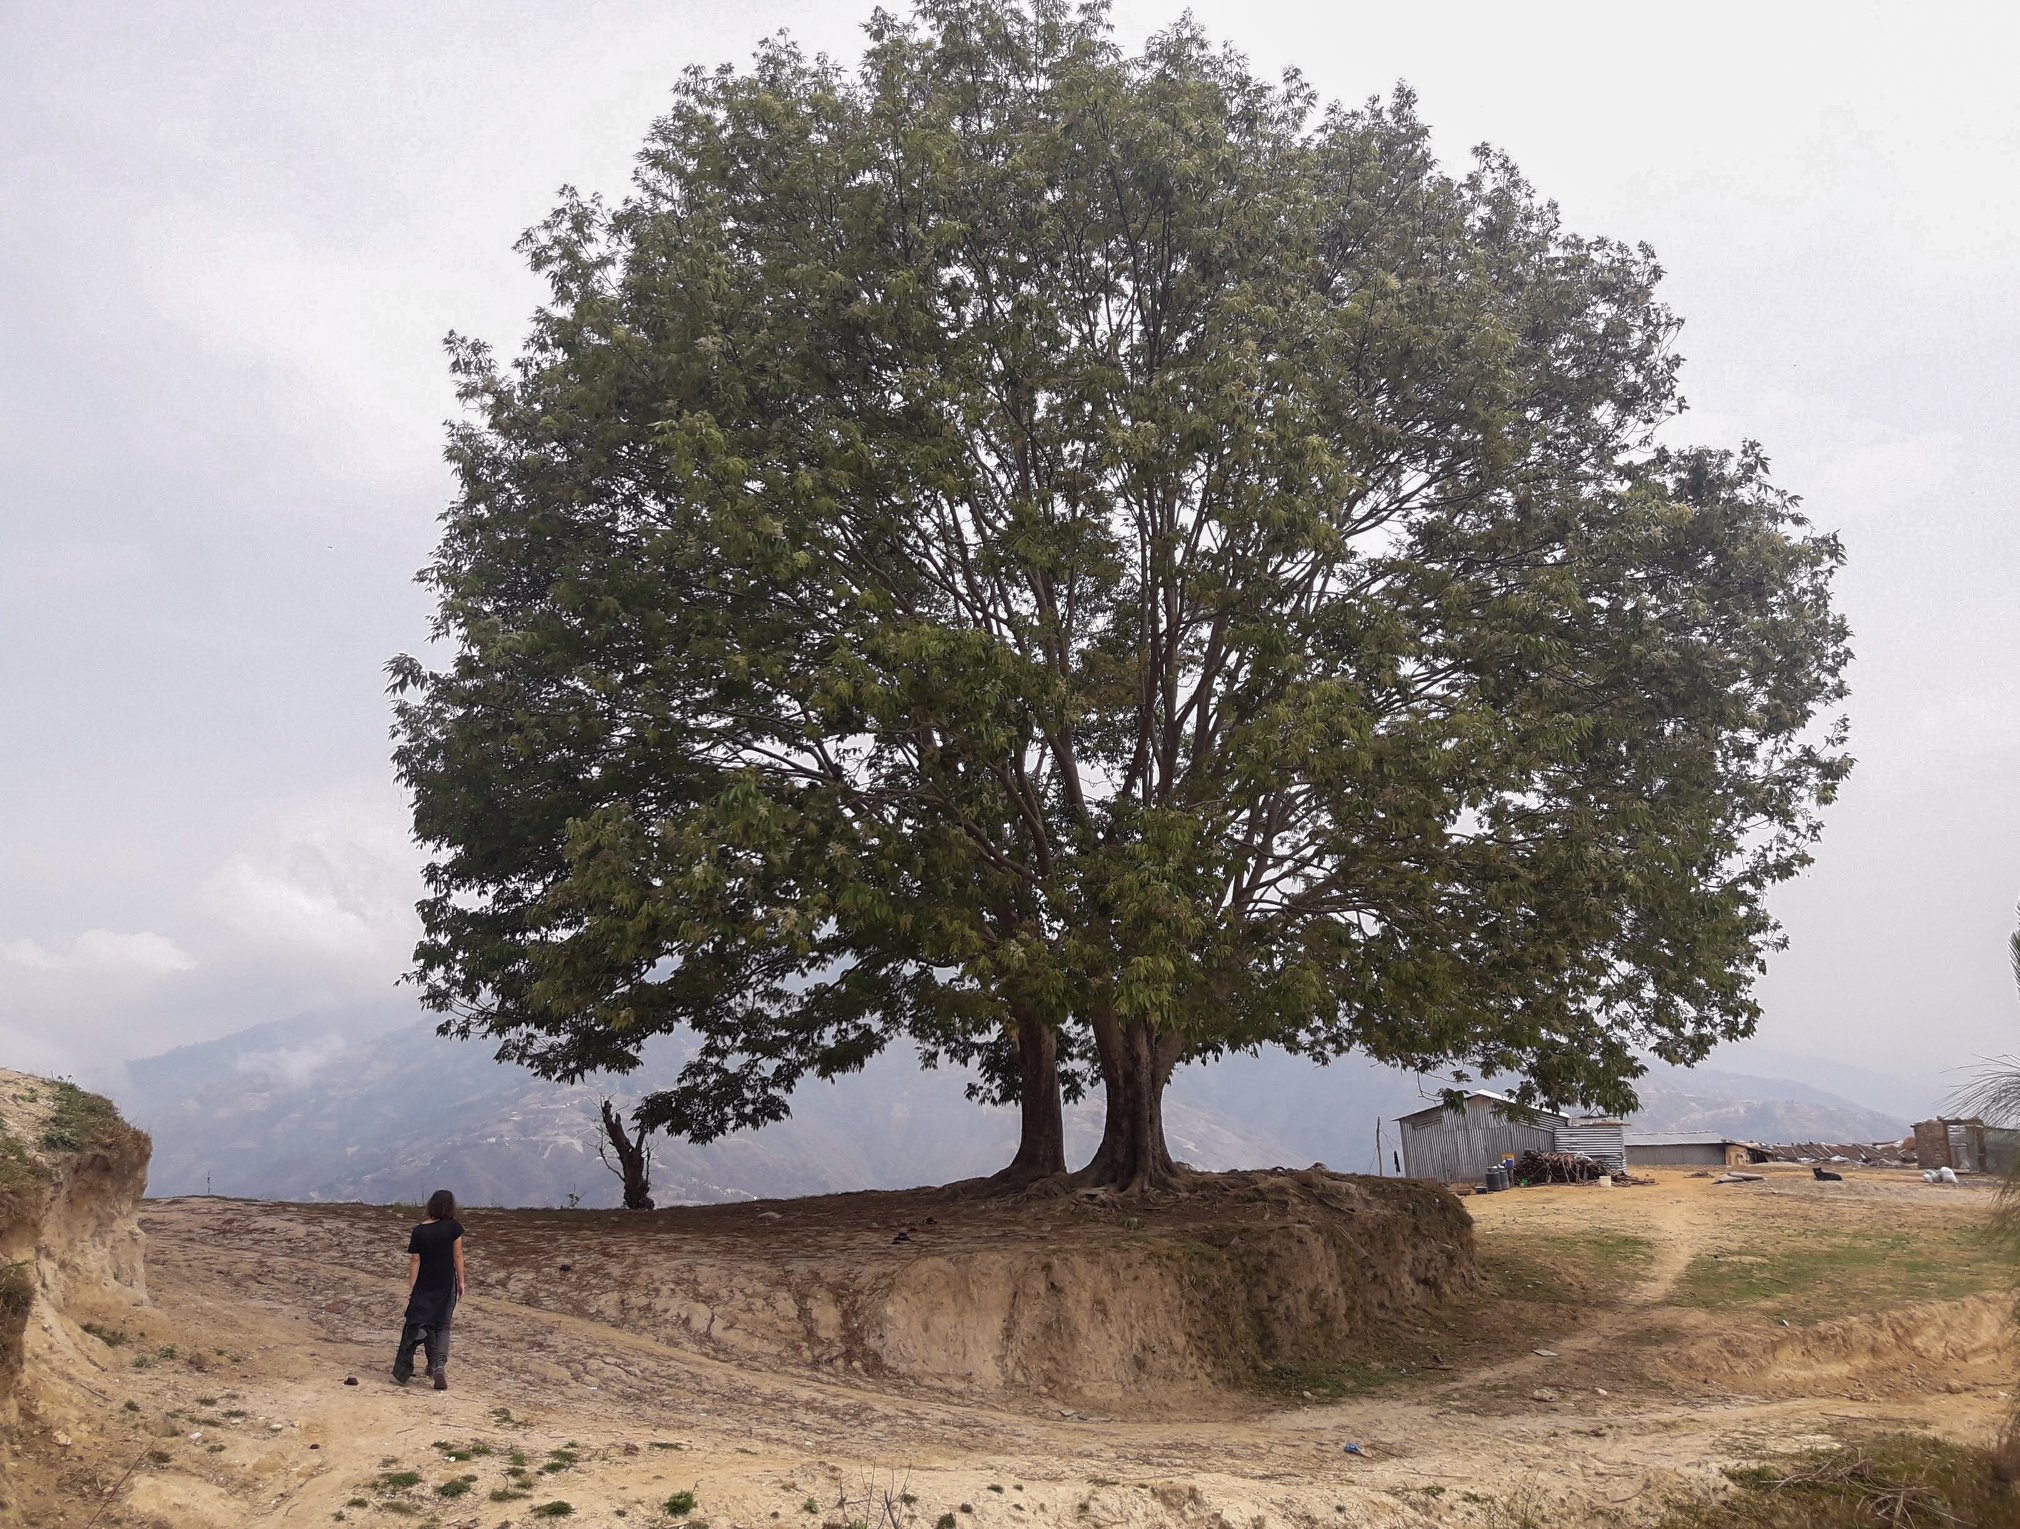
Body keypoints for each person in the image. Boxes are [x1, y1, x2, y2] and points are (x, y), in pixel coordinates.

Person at [392, 1189, 465, 1390]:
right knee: (443, 1325)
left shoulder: (419, 1231)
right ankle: (439, 1366)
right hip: (446, 1282)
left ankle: (429, 1356)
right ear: (451, 1206)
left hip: (425, 1283)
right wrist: (461, 1281)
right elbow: (458, 1256)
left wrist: (412, 1285)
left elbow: (415, 1259)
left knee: (427, 1322)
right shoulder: (454, 1228)